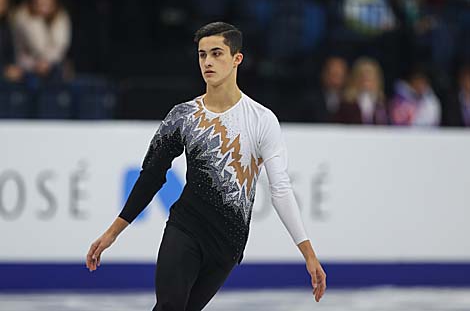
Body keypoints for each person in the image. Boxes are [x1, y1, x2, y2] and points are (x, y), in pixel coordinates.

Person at [86, 22, 326, 311]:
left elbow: (281, 189)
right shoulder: (183, 116)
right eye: (202, 55)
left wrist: (308, 253)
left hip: (227, 243)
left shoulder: (262, 120)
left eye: (216, 53)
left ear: (237, 59)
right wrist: (113, 232)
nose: (208, 62)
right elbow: (151, 177)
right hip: (185, 227)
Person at [11, 0, 71, 80]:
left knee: (60, 72)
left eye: (47, 2)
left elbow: (60, 47)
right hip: (27, 66)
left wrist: (47, 63)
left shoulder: (61, 16)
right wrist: (38, 19)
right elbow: (38, 47)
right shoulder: (23, 16)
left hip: (52, 65)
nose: (44, 5)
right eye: (41, 2)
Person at [334, 57, 388, 125]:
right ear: (355, 79)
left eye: (369, 77)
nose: (366, 80)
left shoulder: (382, 104)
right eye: (363, 77)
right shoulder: (346, 104)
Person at [0, 0, 23, 83]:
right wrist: (3, 71)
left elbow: (11, 52)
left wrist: (12, 67)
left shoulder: (6, 26)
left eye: (3, 4)